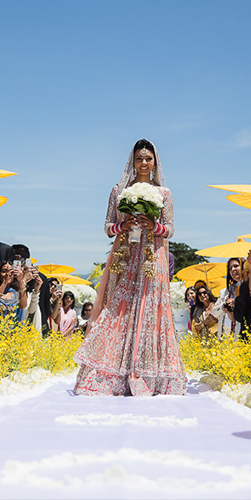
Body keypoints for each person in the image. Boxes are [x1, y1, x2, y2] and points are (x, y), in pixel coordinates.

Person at [73, 139, 187, 396]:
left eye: (148, 158)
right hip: (125, 256)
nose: (144, 163)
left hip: (152, 257)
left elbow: (170, 228)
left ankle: (150, 375)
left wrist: (152, 226)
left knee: (151, 308)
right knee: (118, 308)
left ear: (155, 161)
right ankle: (110, 374)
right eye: (139, 158)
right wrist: (122, 227)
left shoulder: (164, 193)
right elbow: (106, 226)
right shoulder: (118, 191)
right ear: (132, 161)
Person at [213, 258, 244, 338]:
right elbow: (214, 312)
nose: (233, 269)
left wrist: (236, 303)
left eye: (236, 266)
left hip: (241, 335)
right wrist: (223, 307)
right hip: (225, 337)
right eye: (230, 268)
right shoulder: (225, 291)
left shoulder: (250, 288)